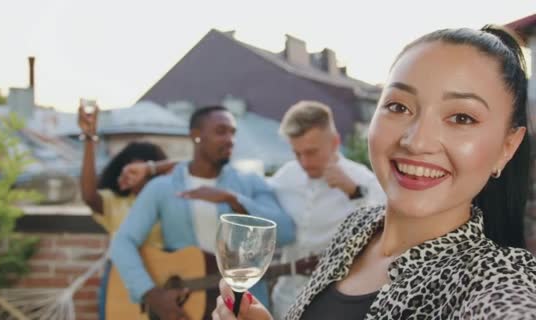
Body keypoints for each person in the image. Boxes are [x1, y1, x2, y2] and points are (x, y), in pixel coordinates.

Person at [212, 25, 536, 320]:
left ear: (508, 146)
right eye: (399, 107)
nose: (417, 141)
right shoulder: (357, 230)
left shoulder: (496, 281)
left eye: (462, 118)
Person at [111, 105, 296, 320]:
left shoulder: (251, 183)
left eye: (232, 132)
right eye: (221, 131)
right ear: (196, 136)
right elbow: (123, 241)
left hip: (243, 307)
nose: (230, 139)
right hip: (185, 306)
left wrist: (233, 199)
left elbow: (285, 232)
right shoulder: (162, 187)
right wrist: (151, 294)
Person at [268, 100, 385, 319]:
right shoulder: (284, 177)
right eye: (297, 153)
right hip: (284, 300)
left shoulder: (365, 182)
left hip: (331, 305)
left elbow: (384, 234)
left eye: (311, 152)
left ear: (334, 142)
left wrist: (354, 192)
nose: (304, 162)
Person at [77, 104, 171, 320]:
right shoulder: (116, 203)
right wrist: (90, 138)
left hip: (164, 281)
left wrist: (153, 168)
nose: (134, 177)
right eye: (129, 170)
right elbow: (90, 195)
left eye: (141, 172)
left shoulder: (167, 202)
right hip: (122, 282)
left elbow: (188, 169)